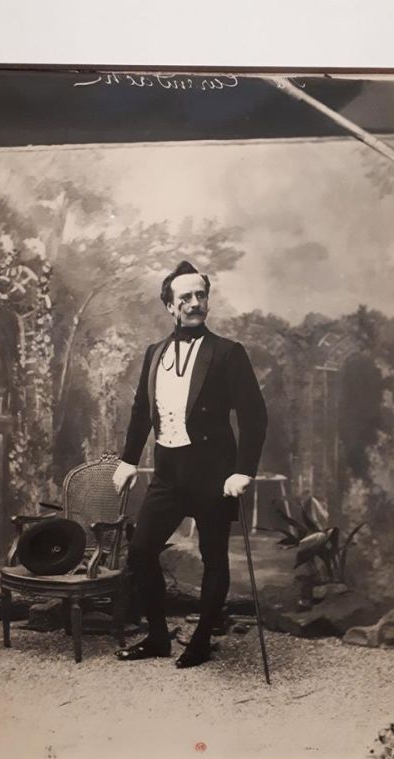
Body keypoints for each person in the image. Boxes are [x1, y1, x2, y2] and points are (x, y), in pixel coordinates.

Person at [112, 260, 267, 668]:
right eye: (186, 297)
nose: (195, 303)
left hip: (214, 474)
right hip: (168, 473)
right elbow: (141, 412)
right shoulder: (155, 353)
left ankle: (201, 641)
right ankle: (158, 637)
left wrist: (243, 470)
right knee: (141, 552)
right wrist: (128, 460)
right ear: (170, 305)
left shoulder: (228, 353)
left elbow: (254, 416)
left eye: (201, 295)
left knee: (214, 557)